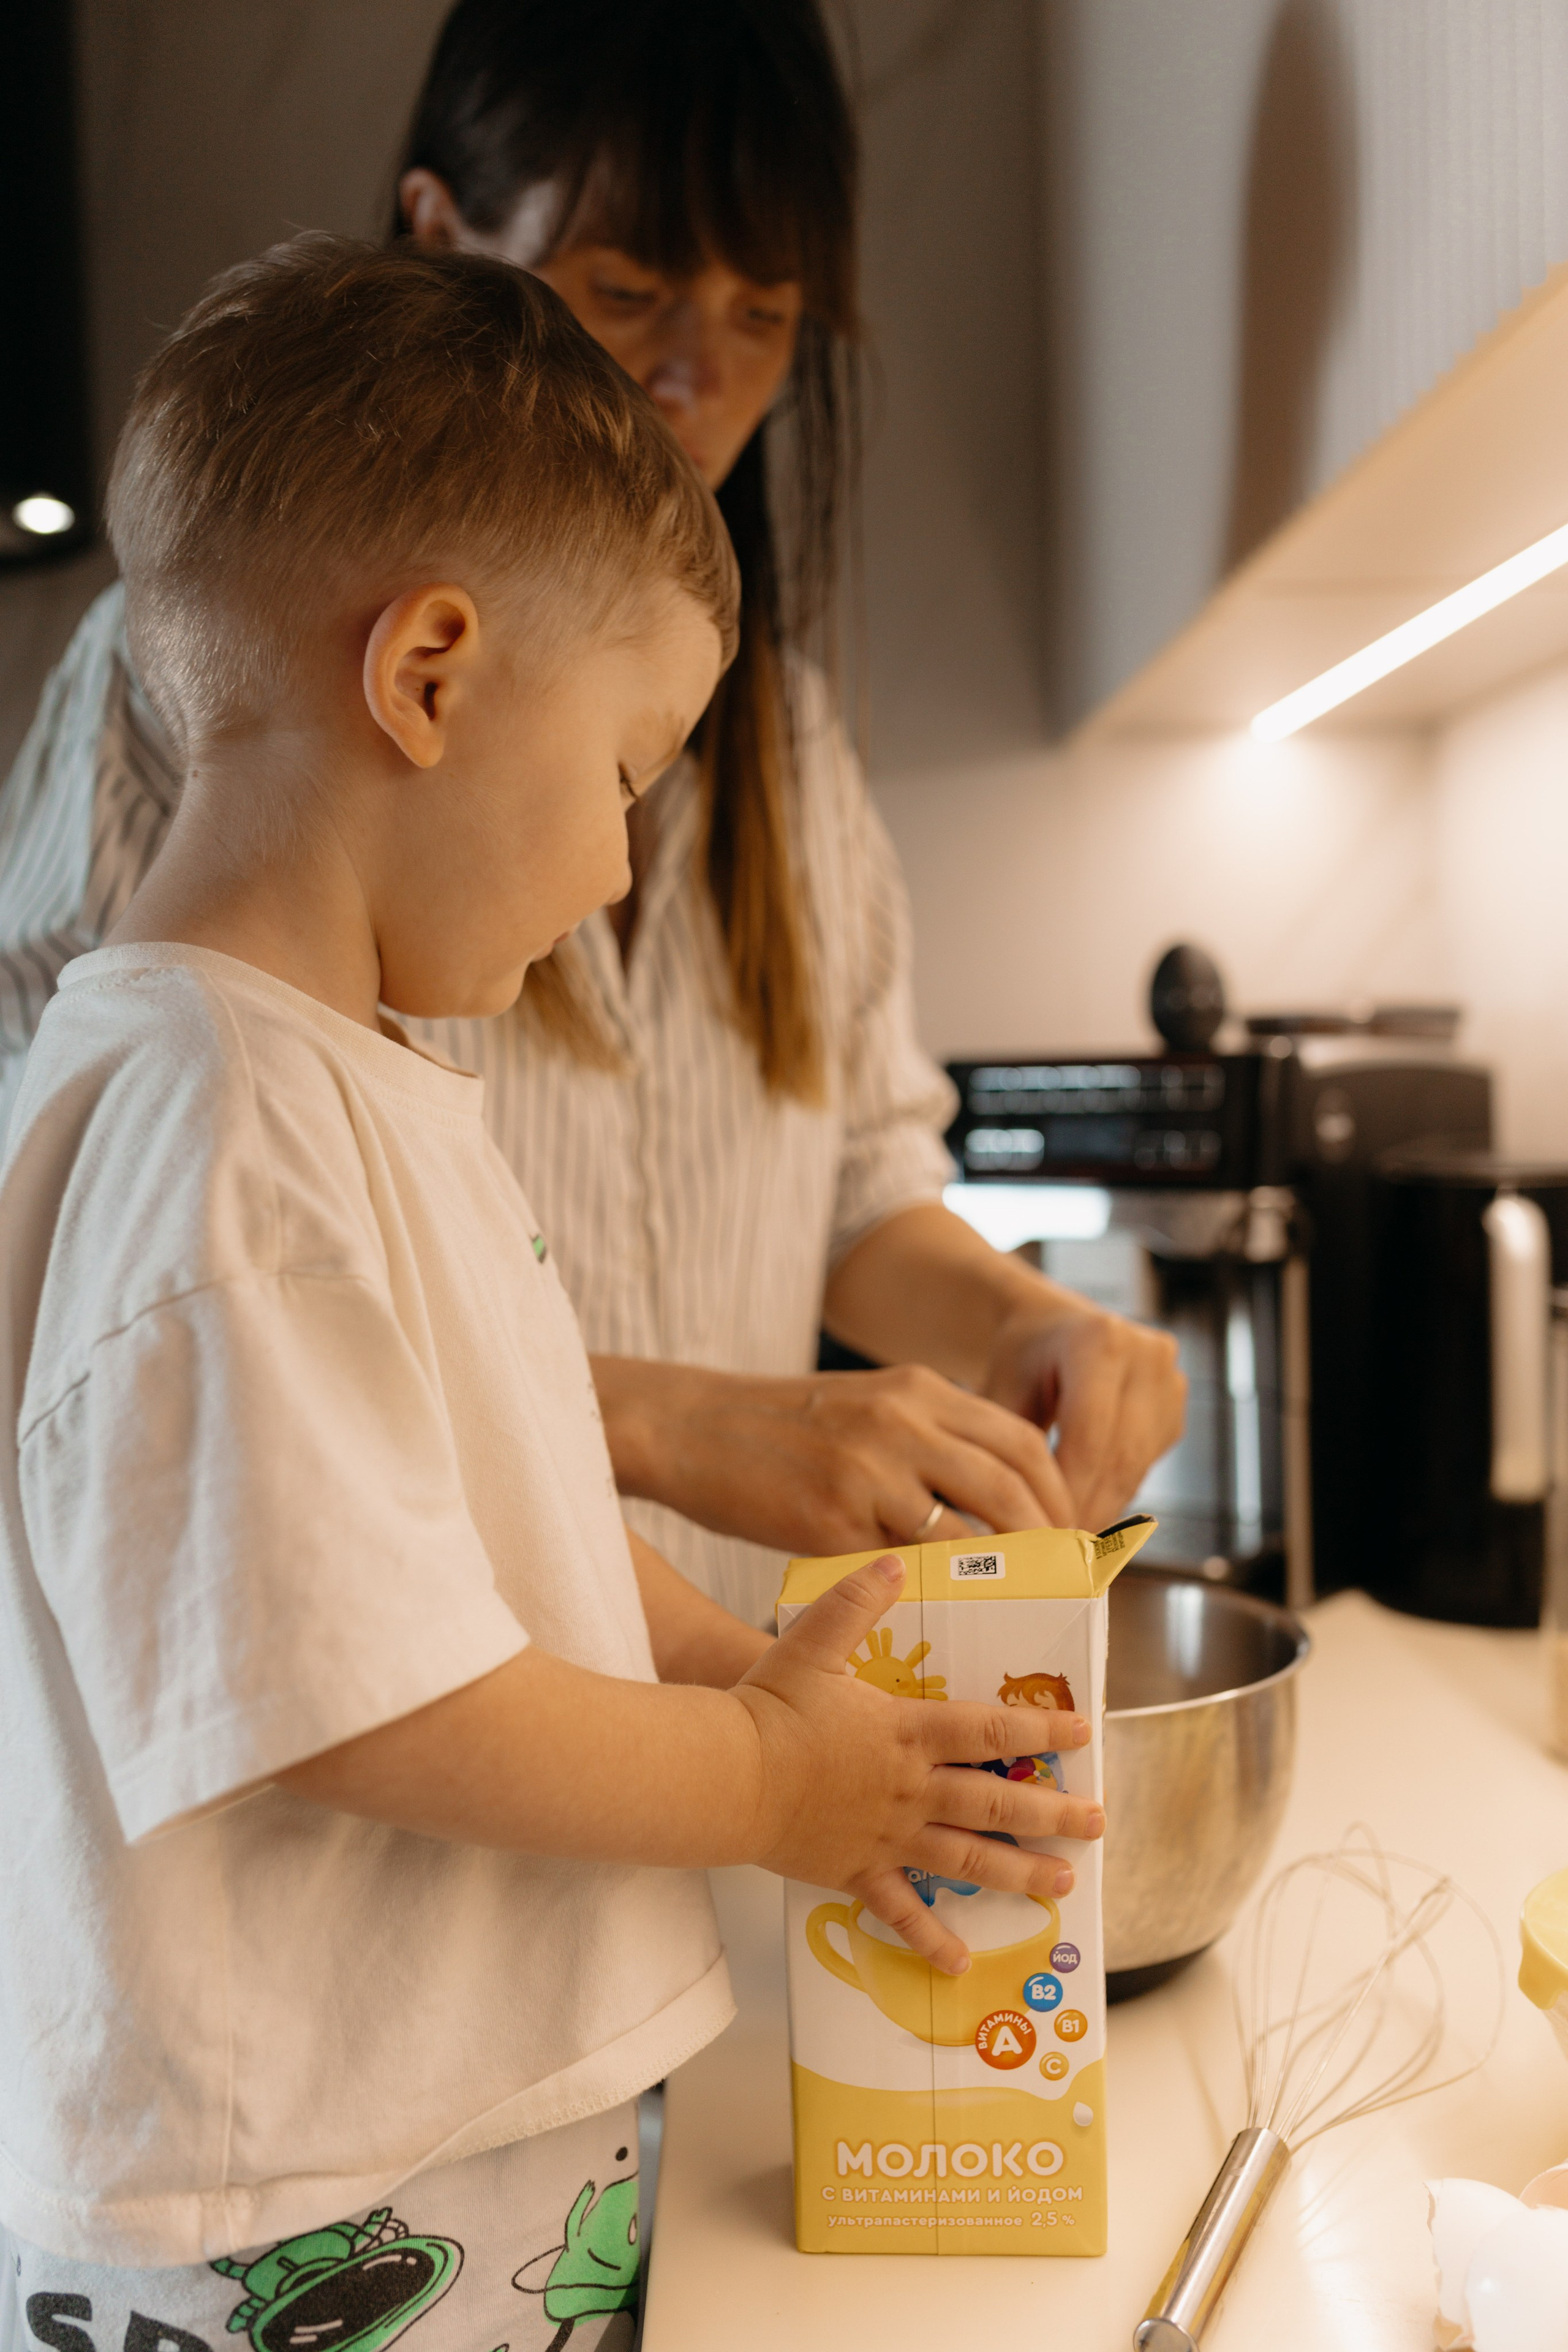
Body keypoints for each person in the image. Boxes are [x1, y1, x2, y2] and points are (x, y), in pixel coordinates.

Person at [0, 235, 1096, 2346]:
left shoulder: (342, 1083)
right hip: (289, 2220)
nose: (618, 868)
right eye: (620, 775)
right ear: (429, 673)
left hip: (437, 2160)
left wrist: (746, 1677)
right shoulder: (223, 1124)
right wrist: (767, 1783)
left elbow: (484, 1530)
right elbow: (365, 1693)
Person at [0, 0, 1185, 1624]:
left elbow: (858, 1189)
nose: (700, 380)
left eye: (766, 315)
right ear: (442, 237)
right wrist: (657, 1421)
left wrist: (1018, 1322)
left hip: (696, 1725)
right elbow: (102, 1279)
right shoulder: (212, 702)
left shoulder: (793, 748)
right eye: (627, 290)